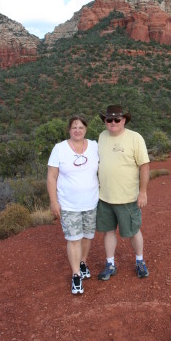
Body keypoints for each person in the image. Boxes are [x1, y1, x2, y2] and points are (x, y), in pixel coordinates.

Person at [97, 104, 150, 280]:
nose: (112, 122)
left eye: (116, 119)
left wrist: (142, 192)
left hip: (127, 197)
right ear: (105, 121)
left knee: (134, 230)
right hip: (104, 197)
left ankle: (140, 261)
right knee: (108, 231)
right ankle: (110, 264)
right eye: (108, 119)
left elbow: (144, 166)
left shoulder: (135, 138)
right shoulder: (102, 136)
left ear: (124, 120)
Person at [47, 115, 99, 295]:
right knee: (74, 239)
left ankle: (83, 262)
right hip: (69, 204)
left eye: (81, 127)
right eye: (74, 127)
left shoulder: (94, 146)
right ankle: (76, 274)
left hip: (91, 202)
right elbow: (51, 177)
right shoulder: (59, 149)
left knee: (87, 236)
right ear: (69, 130)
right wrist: (54, 202)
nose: (77, 130)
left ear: (86, 129)